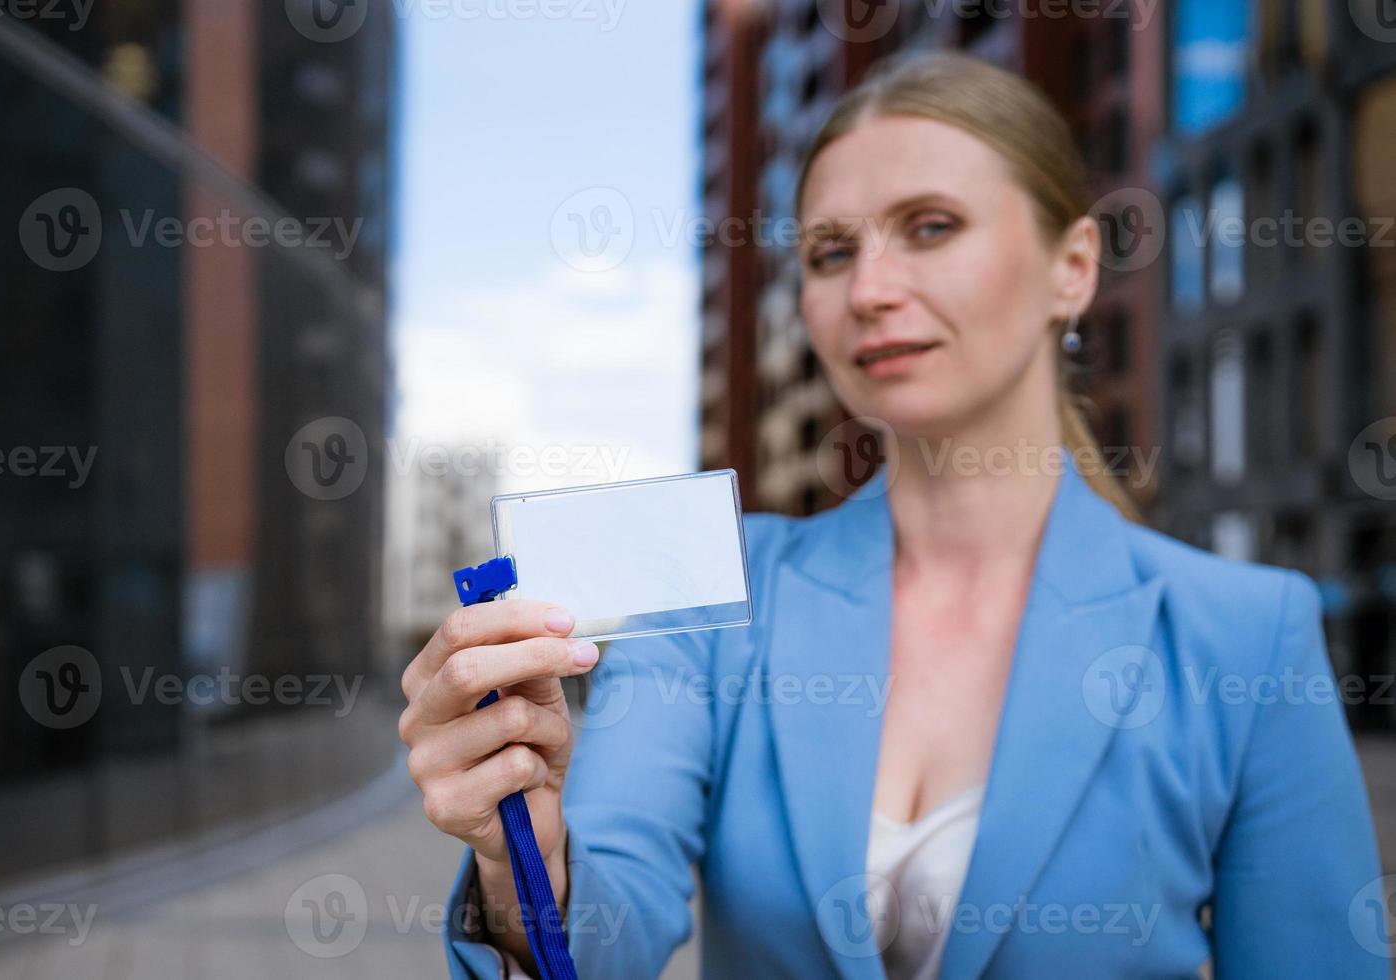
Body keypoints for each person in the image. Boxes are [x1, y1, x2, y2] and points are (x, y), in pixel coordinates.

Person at [400, 51, 1387, 978]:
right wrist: (523, 850)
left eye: (931, 227)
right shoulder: (712, 587)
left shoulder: (1248, 639)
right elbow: (605, 928)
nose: (869, 290)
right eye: (831, 252)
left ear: (1073, 267)